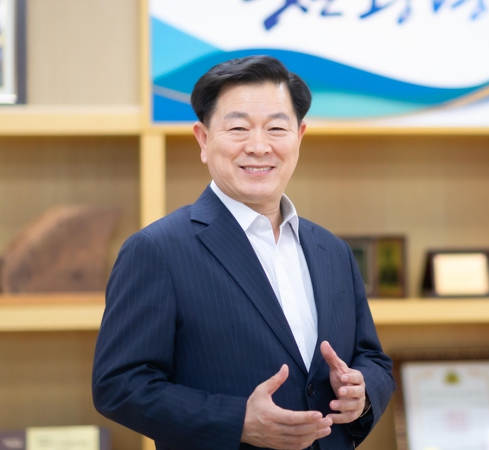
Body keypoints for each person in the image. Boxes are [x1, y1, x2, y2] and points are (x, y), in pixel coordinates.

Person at [92, 56, 395, 450]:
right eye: (238, 128)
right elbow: (119, 385)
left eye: (276, 128)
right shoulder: (157, 250)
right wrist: (237, 422)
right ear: (203, 139)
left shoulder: (332, 250)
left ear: (299, 136)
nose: (258, 146)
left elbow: (372, 358)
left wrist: (362, 390)